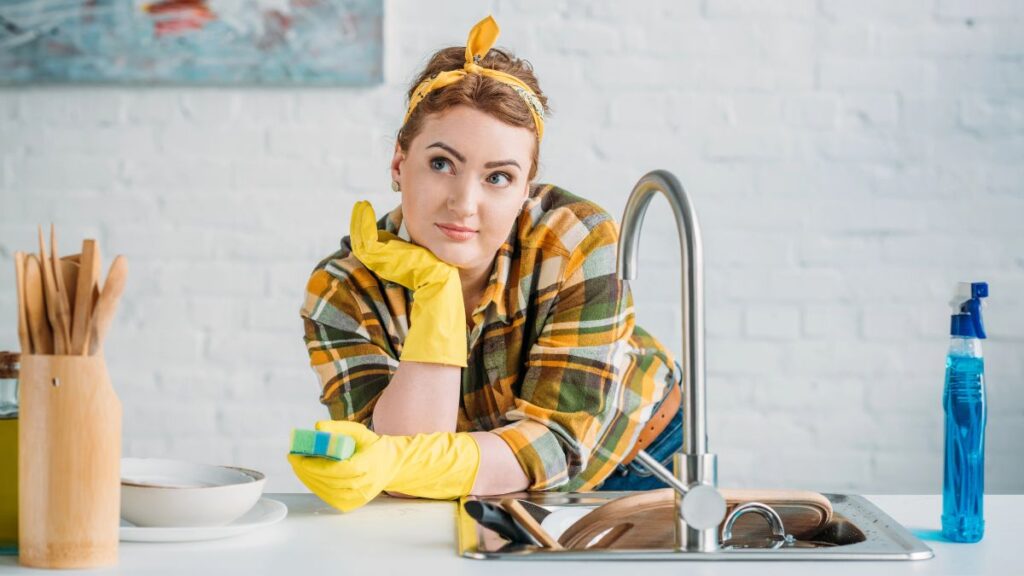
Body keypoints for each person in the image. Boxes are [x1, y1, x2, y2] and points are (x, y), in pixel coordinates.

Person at [288, 15, 683, 513]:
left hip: (643, 459)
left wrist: (406, 463)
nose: (464, 203)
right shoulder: (342, 292)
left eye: (498, 177)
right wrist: (436, 292)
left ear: (525, 190)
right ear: (397, 163)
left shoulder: (574, 240)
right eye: (441, 164)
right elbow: (402, 475)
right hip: (481, 483)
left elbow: (554, 444)